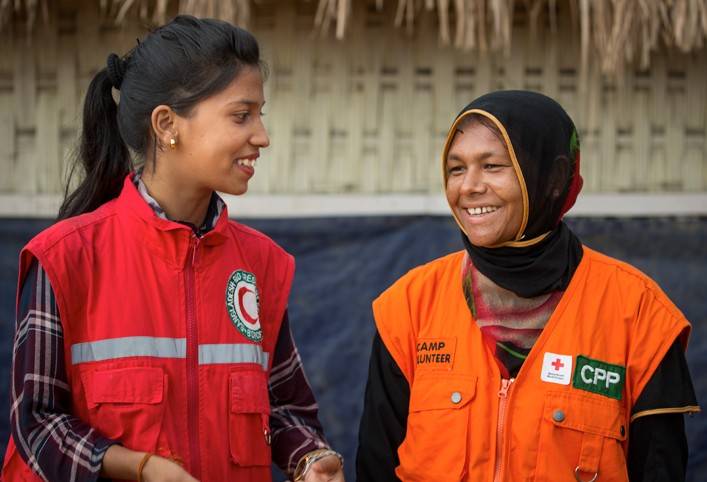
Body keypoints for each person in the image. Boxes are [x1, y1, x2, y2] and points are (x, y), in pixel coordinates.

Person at [2, 15, 344, 482]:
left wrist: (308, 457)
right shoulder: (65, 260)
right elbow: (36, 423)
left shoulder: (262, 265)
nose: (262, 135)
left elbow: (283, 405)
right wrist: (139, 468)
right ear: (167, 125)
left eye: (261, 114)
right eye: (242, 115)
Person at [356, 90, 700, 482]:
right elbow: (375, 467)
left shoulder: (640, 314)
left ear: (552, 179)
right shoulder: (409, 306)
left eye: (492, 166)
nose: (469, 186)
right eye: (456, 168)